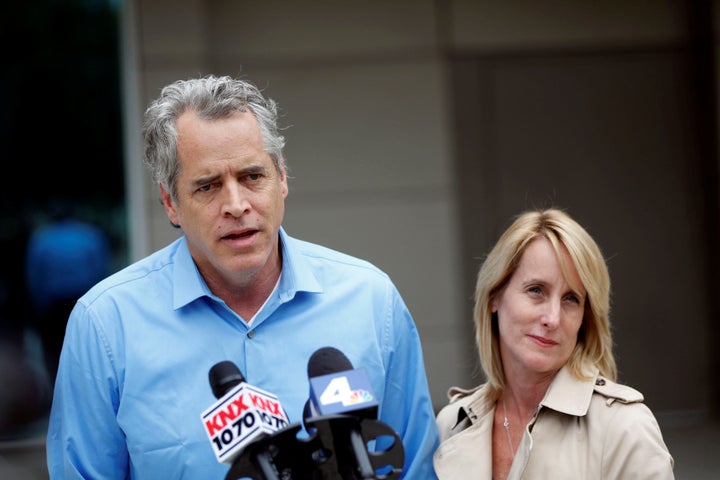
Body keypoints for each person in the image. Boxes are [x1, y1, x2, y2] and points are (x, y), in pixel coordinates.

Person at [46, 74, 439, 479]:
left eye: (252, 176)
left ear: (282, 178)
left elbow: (415, 466)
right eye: (208, 186)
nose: (236, 205)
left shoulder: (371, 300)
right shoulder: (106, 325)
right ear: (170, 202)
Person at [433, 208, 674, 479]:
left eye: (571, 299)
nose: (553, 318)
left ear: (586, 318)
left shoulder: (625, 428)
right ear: (494, 296)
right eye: (536, 290)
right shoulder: (452, 424)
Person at [25, 204, 112, 382]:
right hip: (85, 300)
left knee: (55, 349)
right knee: (86, 347)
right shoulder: (89, 235)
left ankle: (57, 386)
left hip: (55, 304)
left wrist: (39, 307)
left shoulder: (43, 238)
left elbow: (35, 276)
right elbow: (102, 269)